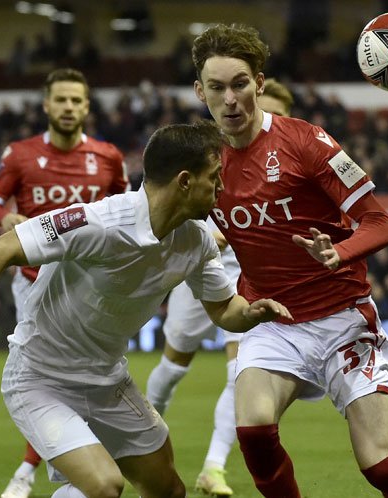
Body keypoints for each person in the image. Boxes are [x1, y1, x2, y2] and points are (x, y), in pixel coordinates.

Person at [0, 121, 293, 498]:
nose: (222, 186)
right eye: (215, 176)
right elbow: (0, 249)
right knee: (104, 486)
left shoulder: (194, 243)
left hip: (109, 382)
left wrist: (255, 311)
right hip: (41, 380)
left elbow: (225, 310)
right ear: (185, 181)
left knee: (169, 489)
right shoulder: (98, 222)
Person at [191, 23, 388, 497]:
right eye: (216, 88)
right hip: (272, 321)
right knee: (254, 431)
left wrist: (336, 253)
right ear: (200, 91)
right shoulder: (201, 160)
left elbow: (381, 223)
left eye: (240, 84)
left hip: (343, 318)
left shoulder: (308, 142)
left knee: (382, 469)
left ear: (259, 82)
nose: (230, 99)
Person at [0, 68, 130, 498]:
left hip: (91, 282)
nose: (68, 107)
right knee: (47, 375)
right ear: (46, 105)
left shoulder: (107, 157)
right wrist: (6, 217)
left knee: (73, 374)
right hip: (33, 280)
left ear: (87, 106)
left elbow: (125, 204)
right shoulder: (20, 155)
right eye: (60, 100)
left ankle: (52, 467)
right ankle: (37, 469)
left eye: (75, 101)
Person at [143, 77, 294, 497]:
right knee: (173, 367)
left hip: (247, 278)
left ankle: (214, 468)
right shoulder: (213, 151)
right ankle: (134, 437)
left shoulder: (288, 163)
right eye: (271, 112)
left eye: (282, 116)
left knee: (239, 372)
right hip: (198, 267)